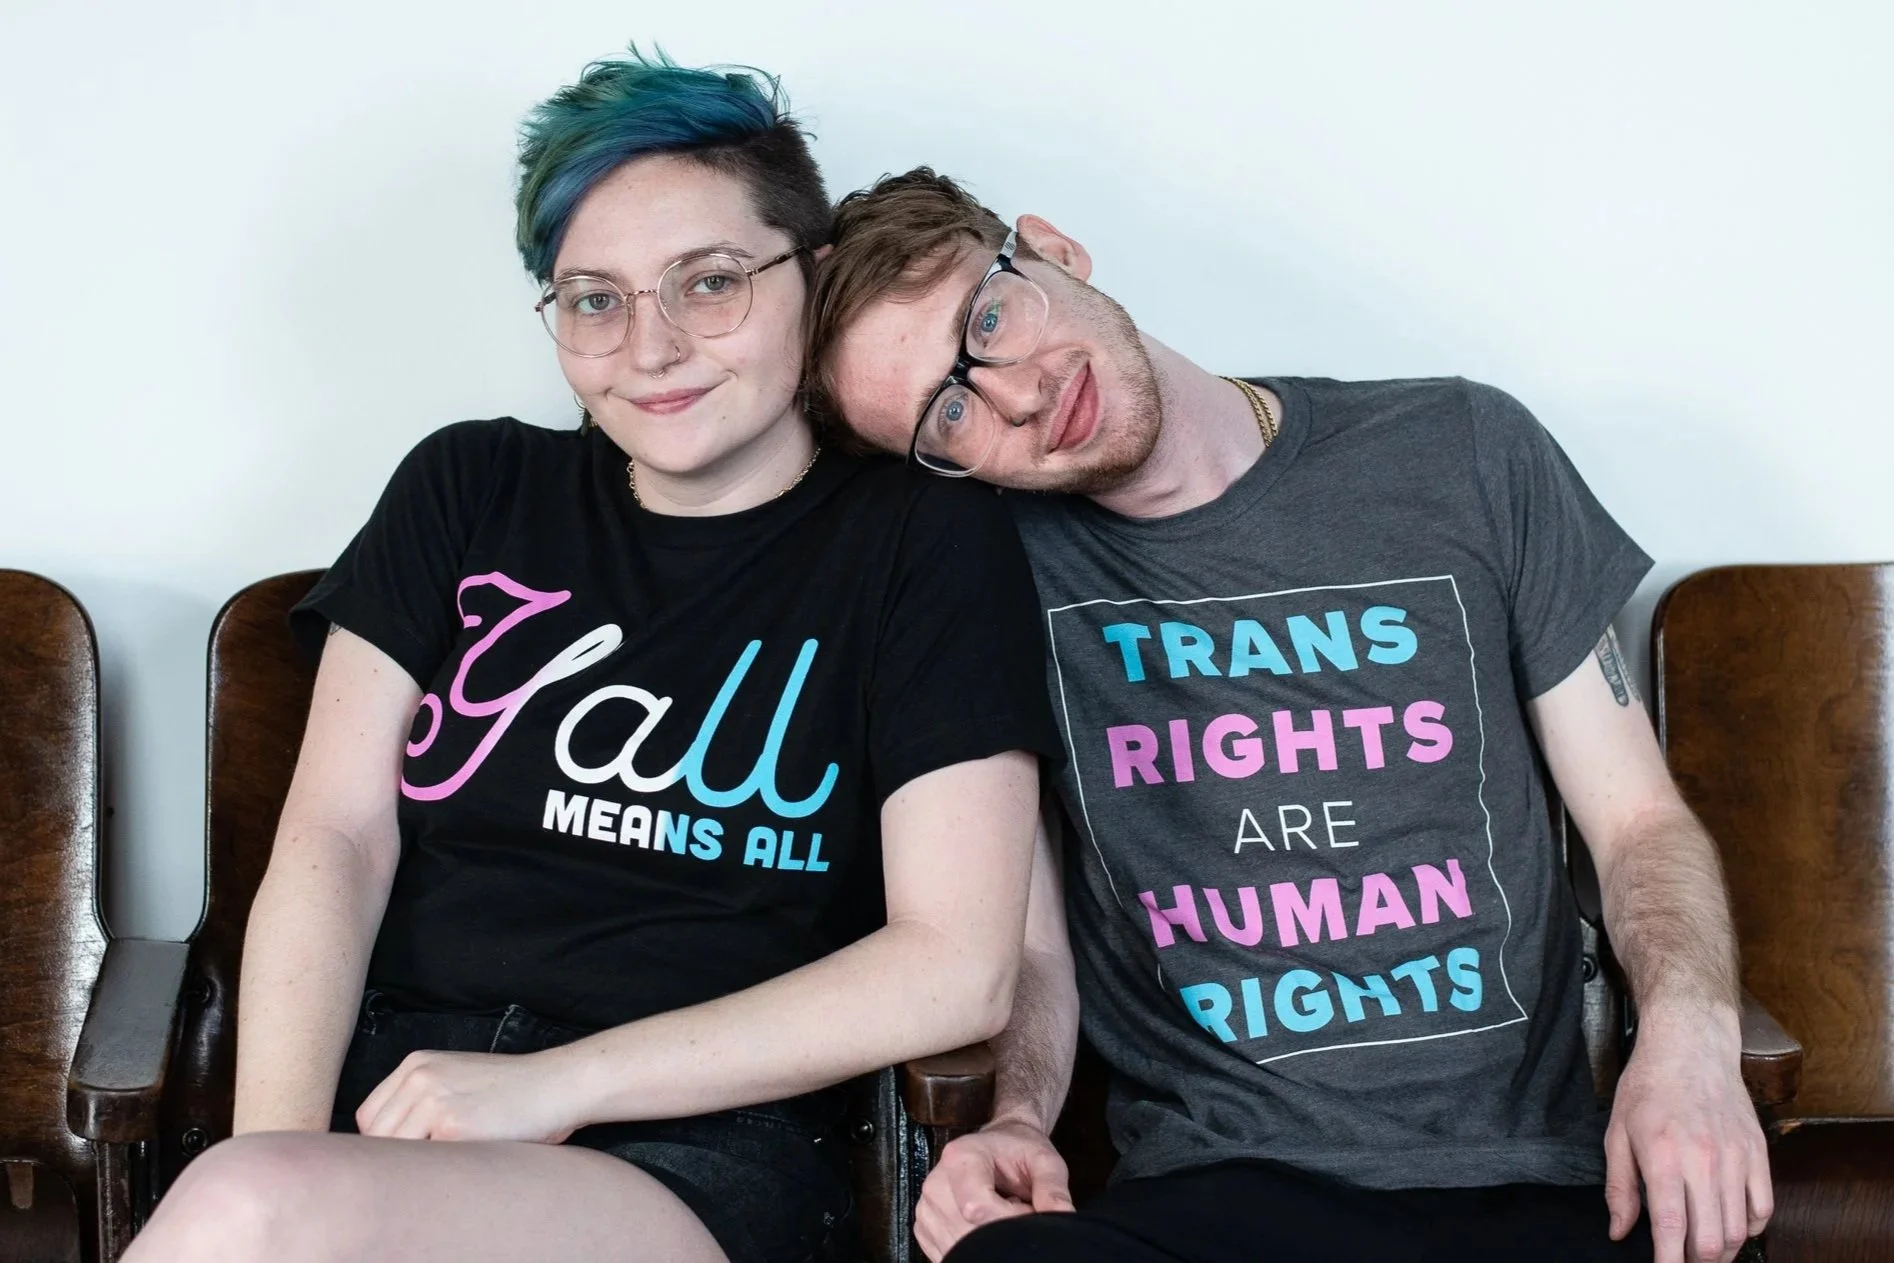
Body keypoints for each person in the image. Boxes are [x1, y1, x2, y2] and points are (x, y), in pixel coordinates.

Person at [124, 57, 1063, 1263]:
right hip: (391, 1093)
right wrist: (276, 1149)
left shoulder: (918, 537)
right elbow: (337, 840)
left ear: (812, 278)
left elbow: (956, 968)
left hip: (703, 1144)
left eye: (709, 283)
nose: (652, 347)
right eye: (594, 298)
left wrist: (556, 1085)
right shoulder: (468, 486)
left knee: (253, 1214)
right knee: (252, 1205)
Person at [804, 169, 1770, 1263]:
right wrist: (1017, 1118)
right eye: (949, 412)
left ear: (1052, 251)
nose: (1014, 394)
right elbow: (1025, 947)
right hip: (1217, 1197)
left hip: (1523, 1189)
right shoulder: (987, 580)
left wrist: (1690, 1042)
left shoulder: (1461, 449)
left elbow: (1639, 821)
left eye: (989, 319)